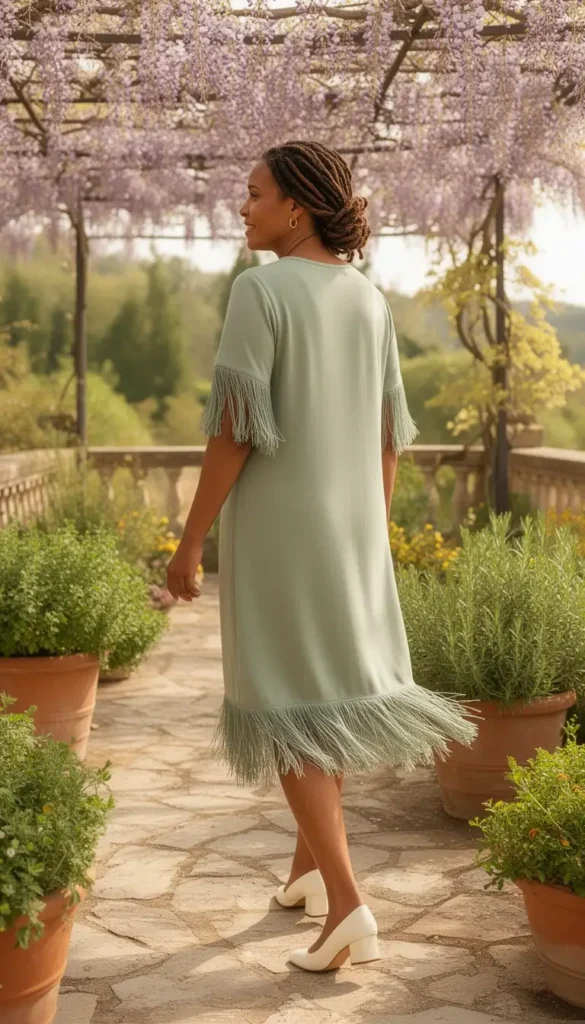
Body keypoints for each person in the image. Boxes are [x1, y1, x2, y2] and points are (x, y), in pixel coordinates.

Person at [166, 139, 477, 972]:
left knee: (284, 703)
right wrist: (368, 532)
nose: (242, 207)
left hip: (279, 531)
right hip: (349, 530)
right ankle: (307, 872)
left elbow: (234, 430)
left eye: (254, 192)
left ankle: (347, 905)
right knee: (322, 702)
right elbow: (388, 437)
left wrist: (189, 542)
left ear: (296, 207)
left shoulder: (259, 290)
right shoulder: (367, 299)